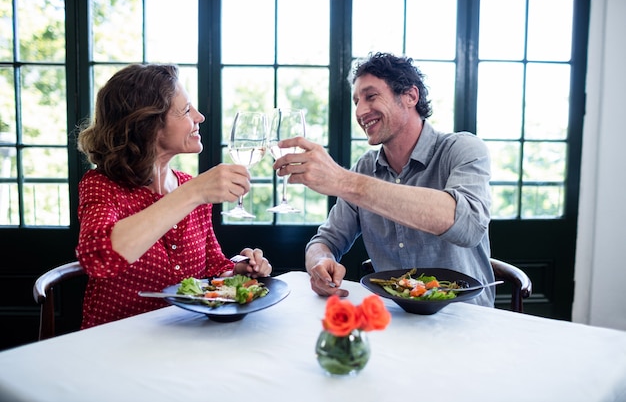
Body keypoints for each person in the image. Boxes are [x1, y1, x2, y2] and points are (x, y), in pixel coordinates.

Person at [273, 52, 494, 306]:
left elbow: (468, 226)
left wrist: (342, 181)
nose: (359, 111)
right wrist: (320, 262)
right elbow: (324, 241)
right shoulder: (365, 167)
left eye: (371, 96)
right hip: (395, 318)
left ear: (410, 96)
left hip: (465, 318)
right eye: (356, 101)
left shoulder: (463, 149)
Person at [75, 64, 272, 329]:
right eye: (186, 110)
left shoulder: (191, 187)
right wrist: (192, 193)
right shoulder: (102, 185)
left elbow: (212, 266)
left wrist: (240, 267)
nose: (200, 117)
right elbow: (98, 258)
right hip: (116, 342)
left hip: (184, 335)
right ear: (149, 124)